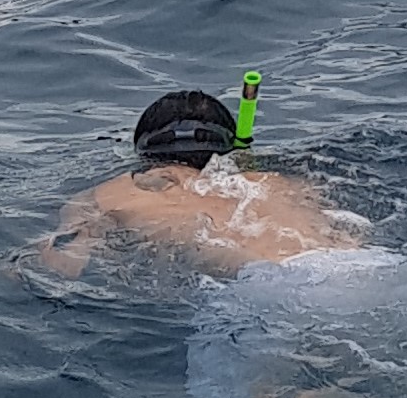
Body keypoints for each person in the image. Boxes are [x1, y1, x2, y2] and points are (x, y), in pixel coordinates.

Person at [29, 88, 360, 279]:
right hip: (358, 268)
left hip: (267, 286)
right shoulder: (282, 183)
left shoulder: (112, 193)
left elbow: (61, 268)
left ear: (144, 149)